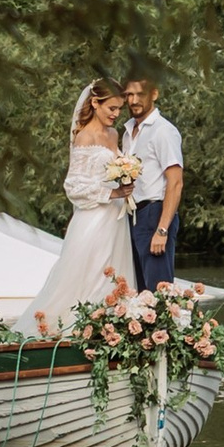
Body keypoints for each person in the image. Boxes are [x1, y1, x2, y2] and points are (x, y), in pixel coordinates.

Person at [25, 81, 142, 327]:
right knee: (90, 274)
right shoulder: (84, 137)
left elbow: (113, 169)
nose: (115, 114)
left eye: (119, 109)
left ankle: (110, 329)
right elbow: (73, 187)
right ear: (94, 103)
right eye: (111, 108)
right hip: (92, 219)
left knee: (113, 274)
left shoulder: (112, 134)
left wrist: (127, 174)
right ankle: (74, 328)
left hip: (115, 220)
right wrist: (113, 193)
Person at [122, 70, 184, 287]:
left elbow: (175, 183)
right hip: (133, 216)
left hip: (155, 214)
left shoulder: (163, 131)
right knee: (140, 295)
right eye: (129, 95)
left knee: (158, 293)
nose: (134, 100)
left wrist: (162, 229)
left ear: (154, 94)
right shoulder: (128, 132)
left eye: (140, 94)